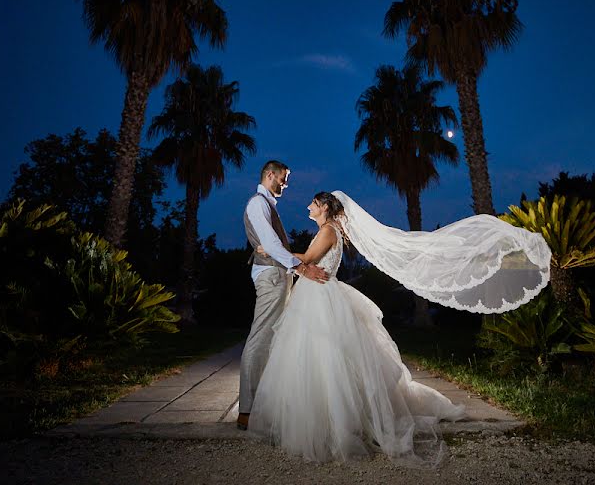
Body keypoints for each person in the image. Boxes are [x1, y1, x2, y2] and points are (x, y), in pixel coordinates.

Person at [249, 190, 552, 464]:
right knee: (318, 358)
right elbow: (309, 261)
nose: (308, 206)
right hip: (317, 296)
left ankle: (334, 424)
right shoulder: (330, 230)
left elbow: (309, 259)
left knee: (326, 359)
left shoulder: (328, 232)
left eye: (313, 203)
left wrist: (271, 252)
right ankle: (324, 418)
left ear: (326, 208)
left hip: (320, 299)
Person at [237, 161, 329, 431]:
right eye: (284, 179)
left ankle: (265, 404)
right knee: (261, 338)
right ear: (270, 175)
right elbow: (272, 244)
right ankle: (247, 410)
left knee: (274, 339)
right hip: (271, 277)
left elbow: (272, 246)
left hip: (278, 276)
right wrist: (302, 269)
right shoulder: (257, 203)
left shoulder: (267, 205)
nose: (286, 185)